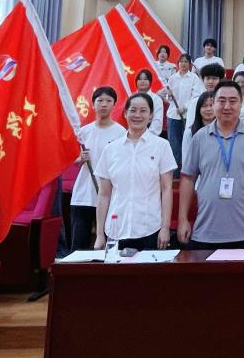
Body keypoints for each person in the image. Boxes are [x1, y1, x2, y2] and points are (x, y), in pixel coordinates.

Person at [178, 81, 244, 249]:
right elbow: (187, 178)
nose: (227, 106)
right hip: (205, 232)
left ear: (241, 103)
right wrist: (182, 219)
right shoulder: (199, 137)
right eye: (221, 101)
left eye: (233, 101)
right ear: (214, 103)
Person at [94, 93, 177, 251]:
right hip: (116, 229)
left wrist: (165, 227)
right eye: (133, 110)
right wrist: (99, 234)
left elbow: (167, 189)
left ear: (150, 115)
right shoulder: (111, 149)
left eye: (143, 111)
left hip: (150, 228)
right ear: (125, 113)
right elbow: (104, 194)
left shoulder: (161, 146)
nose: (137, 115)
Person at [69, 87, 126, 251]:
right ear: (93, 104)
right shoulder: (84, 132)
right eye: (100, 100)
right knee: (78, 246)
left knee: (108, 246)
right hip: (84, 195)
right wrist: (80, 158)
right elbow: (70, 158)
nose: (104, 104)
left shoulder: (120, 133)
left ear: (114, 104)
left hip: (110, 196)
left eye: (108, 101)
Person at [165, 54, 198, 167]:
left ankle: (186, 169)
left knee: (187, 144)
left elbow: (195, 96)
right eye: (181, 61)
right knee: (174, 144)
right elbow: (168, 98)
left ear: (190, 64)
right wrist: (169, 95)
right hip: (173, 115)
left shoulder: (194, 78)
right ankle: (175, 171)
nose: (183, 64)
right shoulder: (173, 78)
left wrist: (185, 107)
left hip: (188, 116)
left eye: (186, 62)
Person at [183, 91, 217, 165]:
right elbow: (186, 159)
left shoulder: (223, 131)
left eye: (211, 105)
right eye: (204, 106)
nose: (208, 109)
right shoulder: (190, 132)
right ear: (199, 109)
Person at [134, 69, 165, 137]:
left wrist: (147, 136)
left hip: (150, 135)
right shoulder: (131, 98)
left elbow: (157, 121)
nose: (142, 81)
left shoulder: (156, 99)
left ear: (150, 81)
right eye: (140, 79)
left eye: (145, 79)